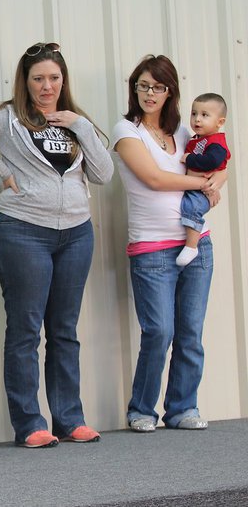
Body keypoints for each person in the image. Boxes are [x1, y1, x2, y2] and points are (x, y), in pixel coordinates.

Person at [0, 42, 113, 447]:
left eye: (54, 78)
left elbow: (104, 174)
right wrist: (0, 169)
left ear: (63, 80)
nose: (47, 86)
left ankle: (69, 420)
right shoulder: (9, 119)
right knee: (25, 329)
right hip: (23, 231)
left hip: (76, 234)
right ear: (25, 82)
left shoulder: (76, 122)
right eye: (38, 78)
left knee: (65, 330)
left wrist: (83, 127)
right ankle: (30, 424)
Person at [112, 55, 226, 432]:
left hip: (197, 245)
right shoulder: (126, 132)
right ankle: (142, 410)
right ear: (134, 89)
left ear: (170, 91)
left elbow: (221, 163)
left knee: (190, 333)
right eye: (143, 85)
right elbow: (155, 179)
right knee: (159, 331)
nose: (149, 93)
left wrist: (216, 184)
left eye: (158, 86)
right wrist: (203, 185)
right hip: (152, 249)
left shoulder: (184, 132)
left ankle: (182, 409)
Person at [176, 93, 230, 267]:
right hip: (202, 187)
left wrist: (189, 159)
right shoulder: (198, 139)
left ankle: (192, 246)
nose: (197, 119)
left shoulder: (216, 142)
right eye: (194, 114)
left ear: (219, 122)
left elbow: (212, 162)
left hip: (201, 190)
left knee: (191, 208)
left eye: (204, 115)